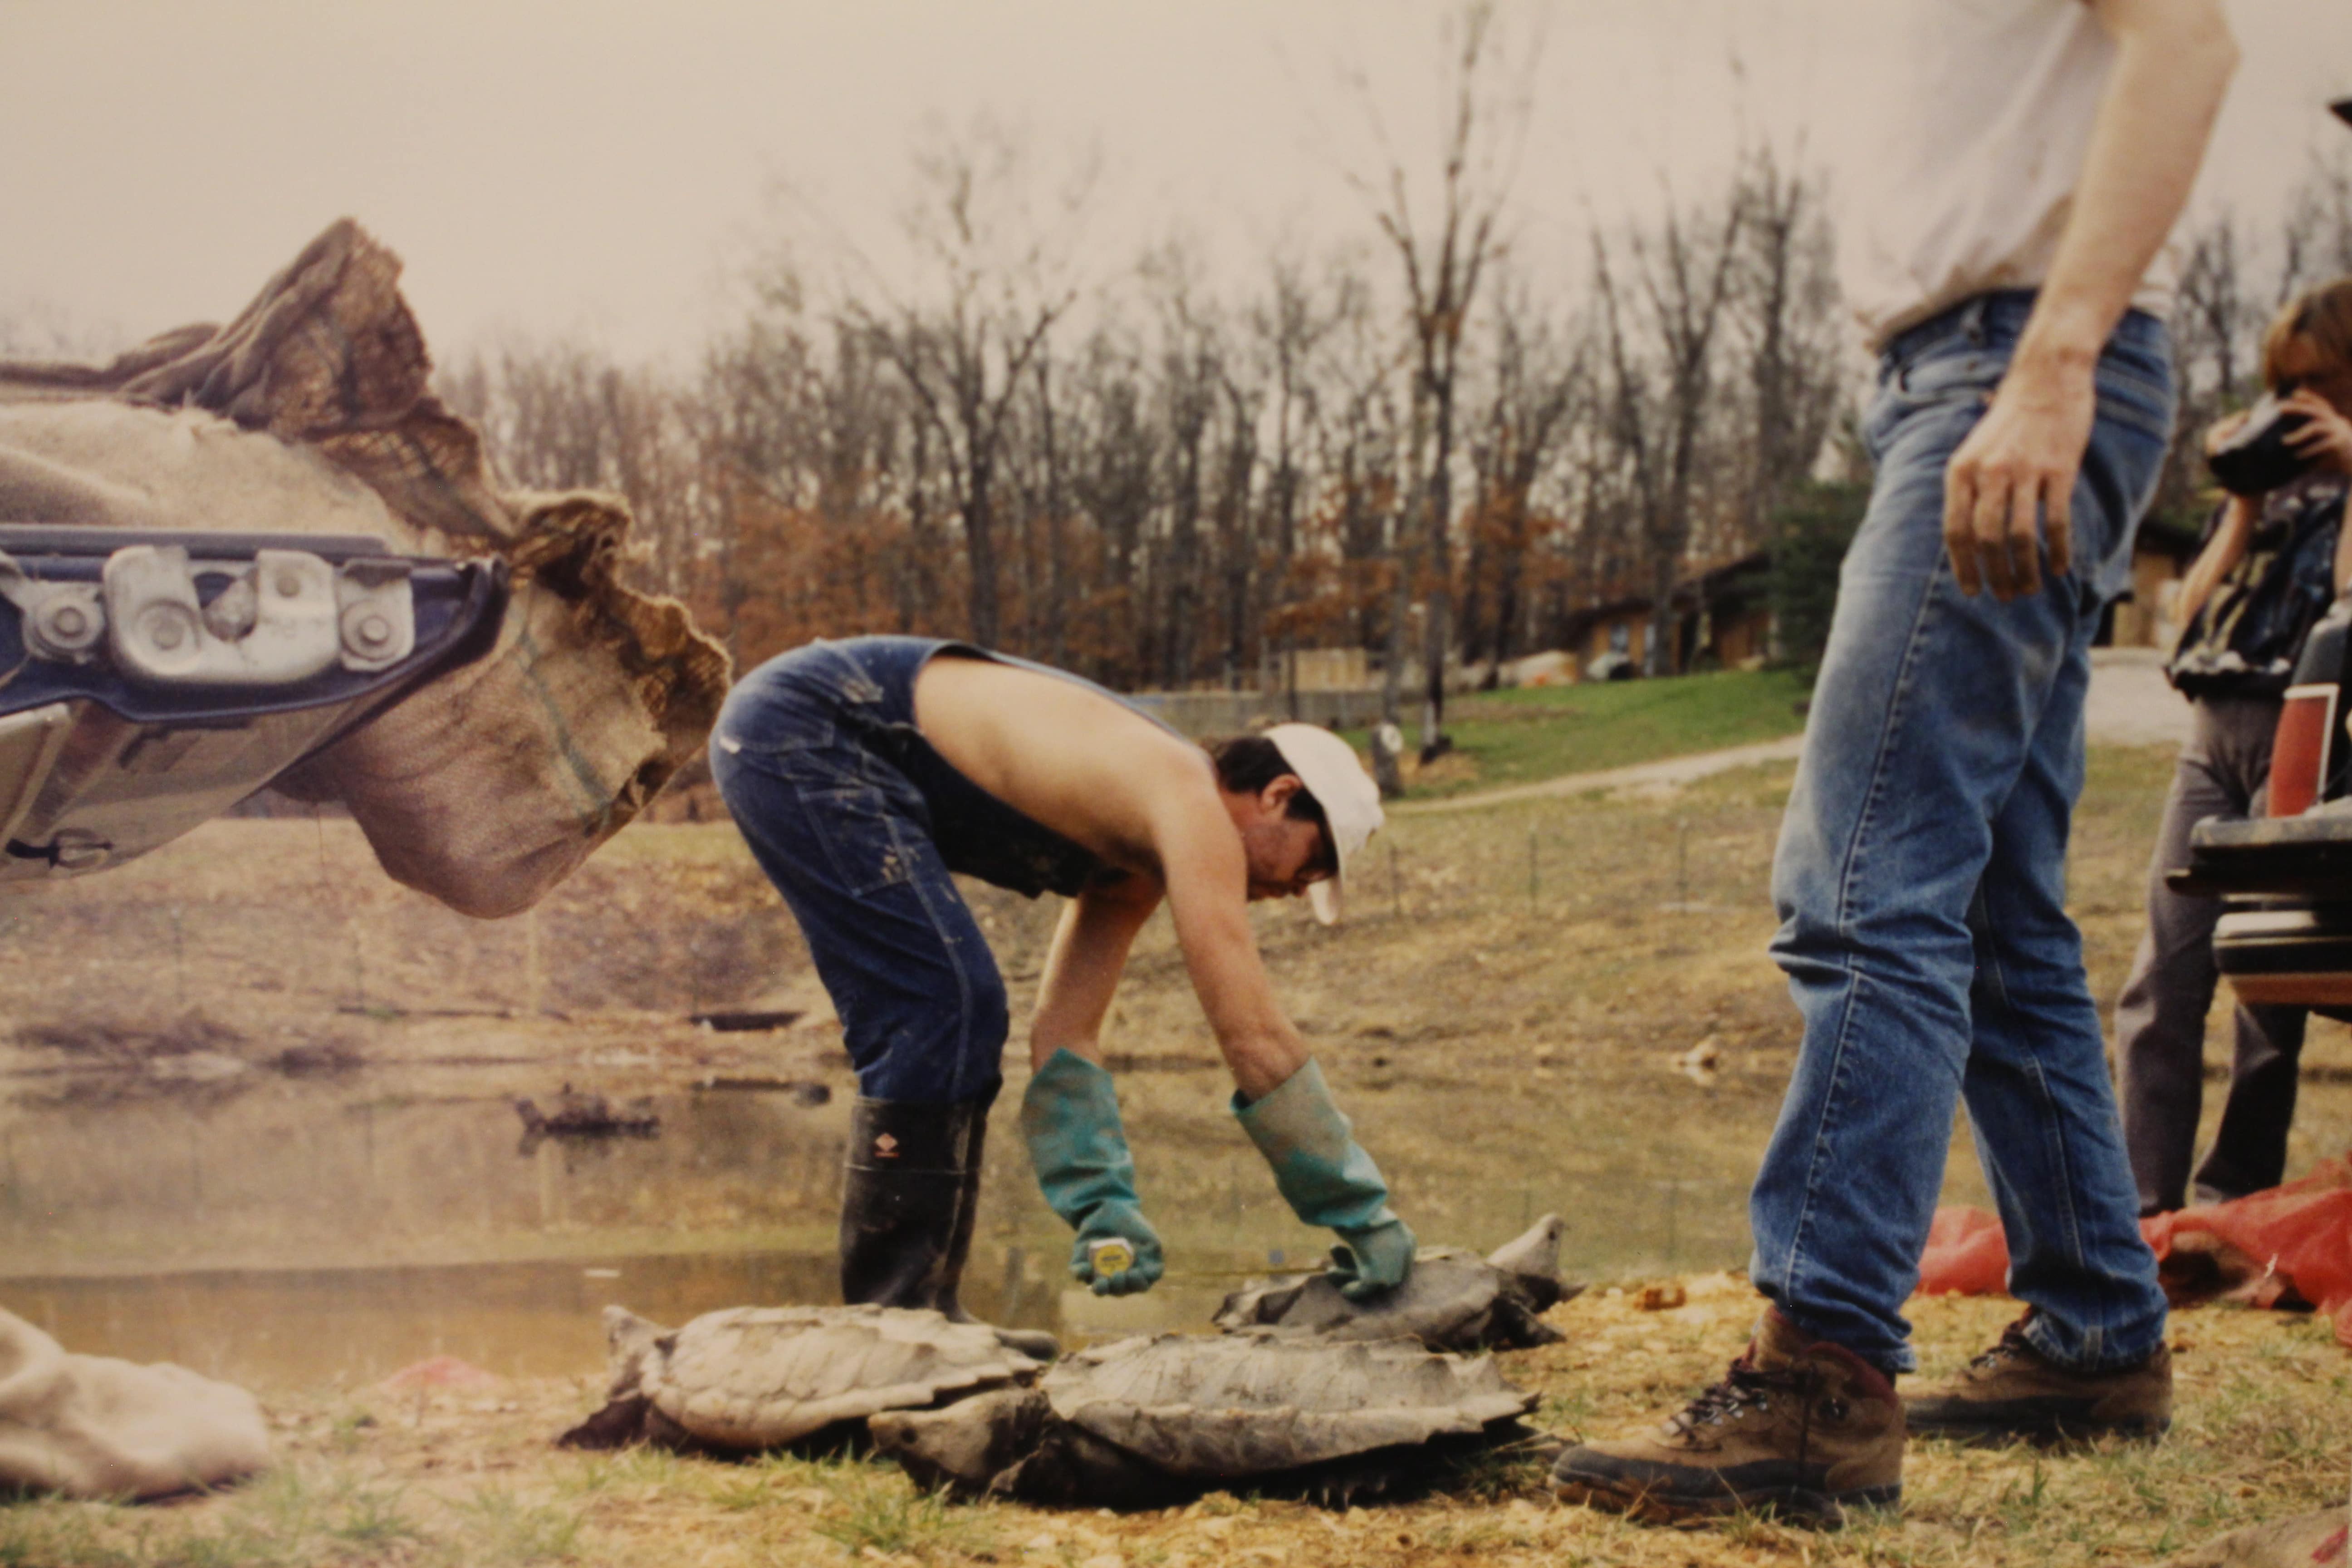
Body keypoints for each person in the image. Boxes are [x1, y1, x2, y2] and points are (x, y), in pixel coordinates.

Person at [1550, 0, 2237, 1527]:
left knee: (1865, 879)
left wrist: (2052, 360)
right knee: (1994, 912)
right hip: (1967, 372)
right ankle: (2096, 1331)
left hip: (2017, 361)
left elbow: (2188, 43)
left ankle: (1820, 1374)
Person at [706, 635, 1416, 1357]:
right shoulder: (1189, 799)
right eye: (1312, 864)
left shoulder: (1140, 849)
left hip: (820, 735)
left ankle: (917, 1315)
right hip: (814, 725)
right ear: (1279, 795)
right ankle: (896, 1320)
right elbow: (1252, 1036)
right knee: (939, 1003)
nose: (1297, 891)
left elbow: (1067, 1032)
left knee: (955, 1007)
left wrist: (1101, 1204)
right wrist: (1361, 1211)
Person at [2117, 279, 2352, 1215]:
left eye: (2319, 383)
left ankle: (2234, 1197)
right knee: (2161, 980)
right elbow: (2187, 610)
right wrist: (2245, 505)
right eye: (2285, 387)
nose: (2299, 407)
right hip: (2212, 736)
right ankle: (2141, 1206)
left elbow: (2348, 609)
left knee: (2267, 982)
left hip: (2308, 737)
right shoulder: (2269, 492)